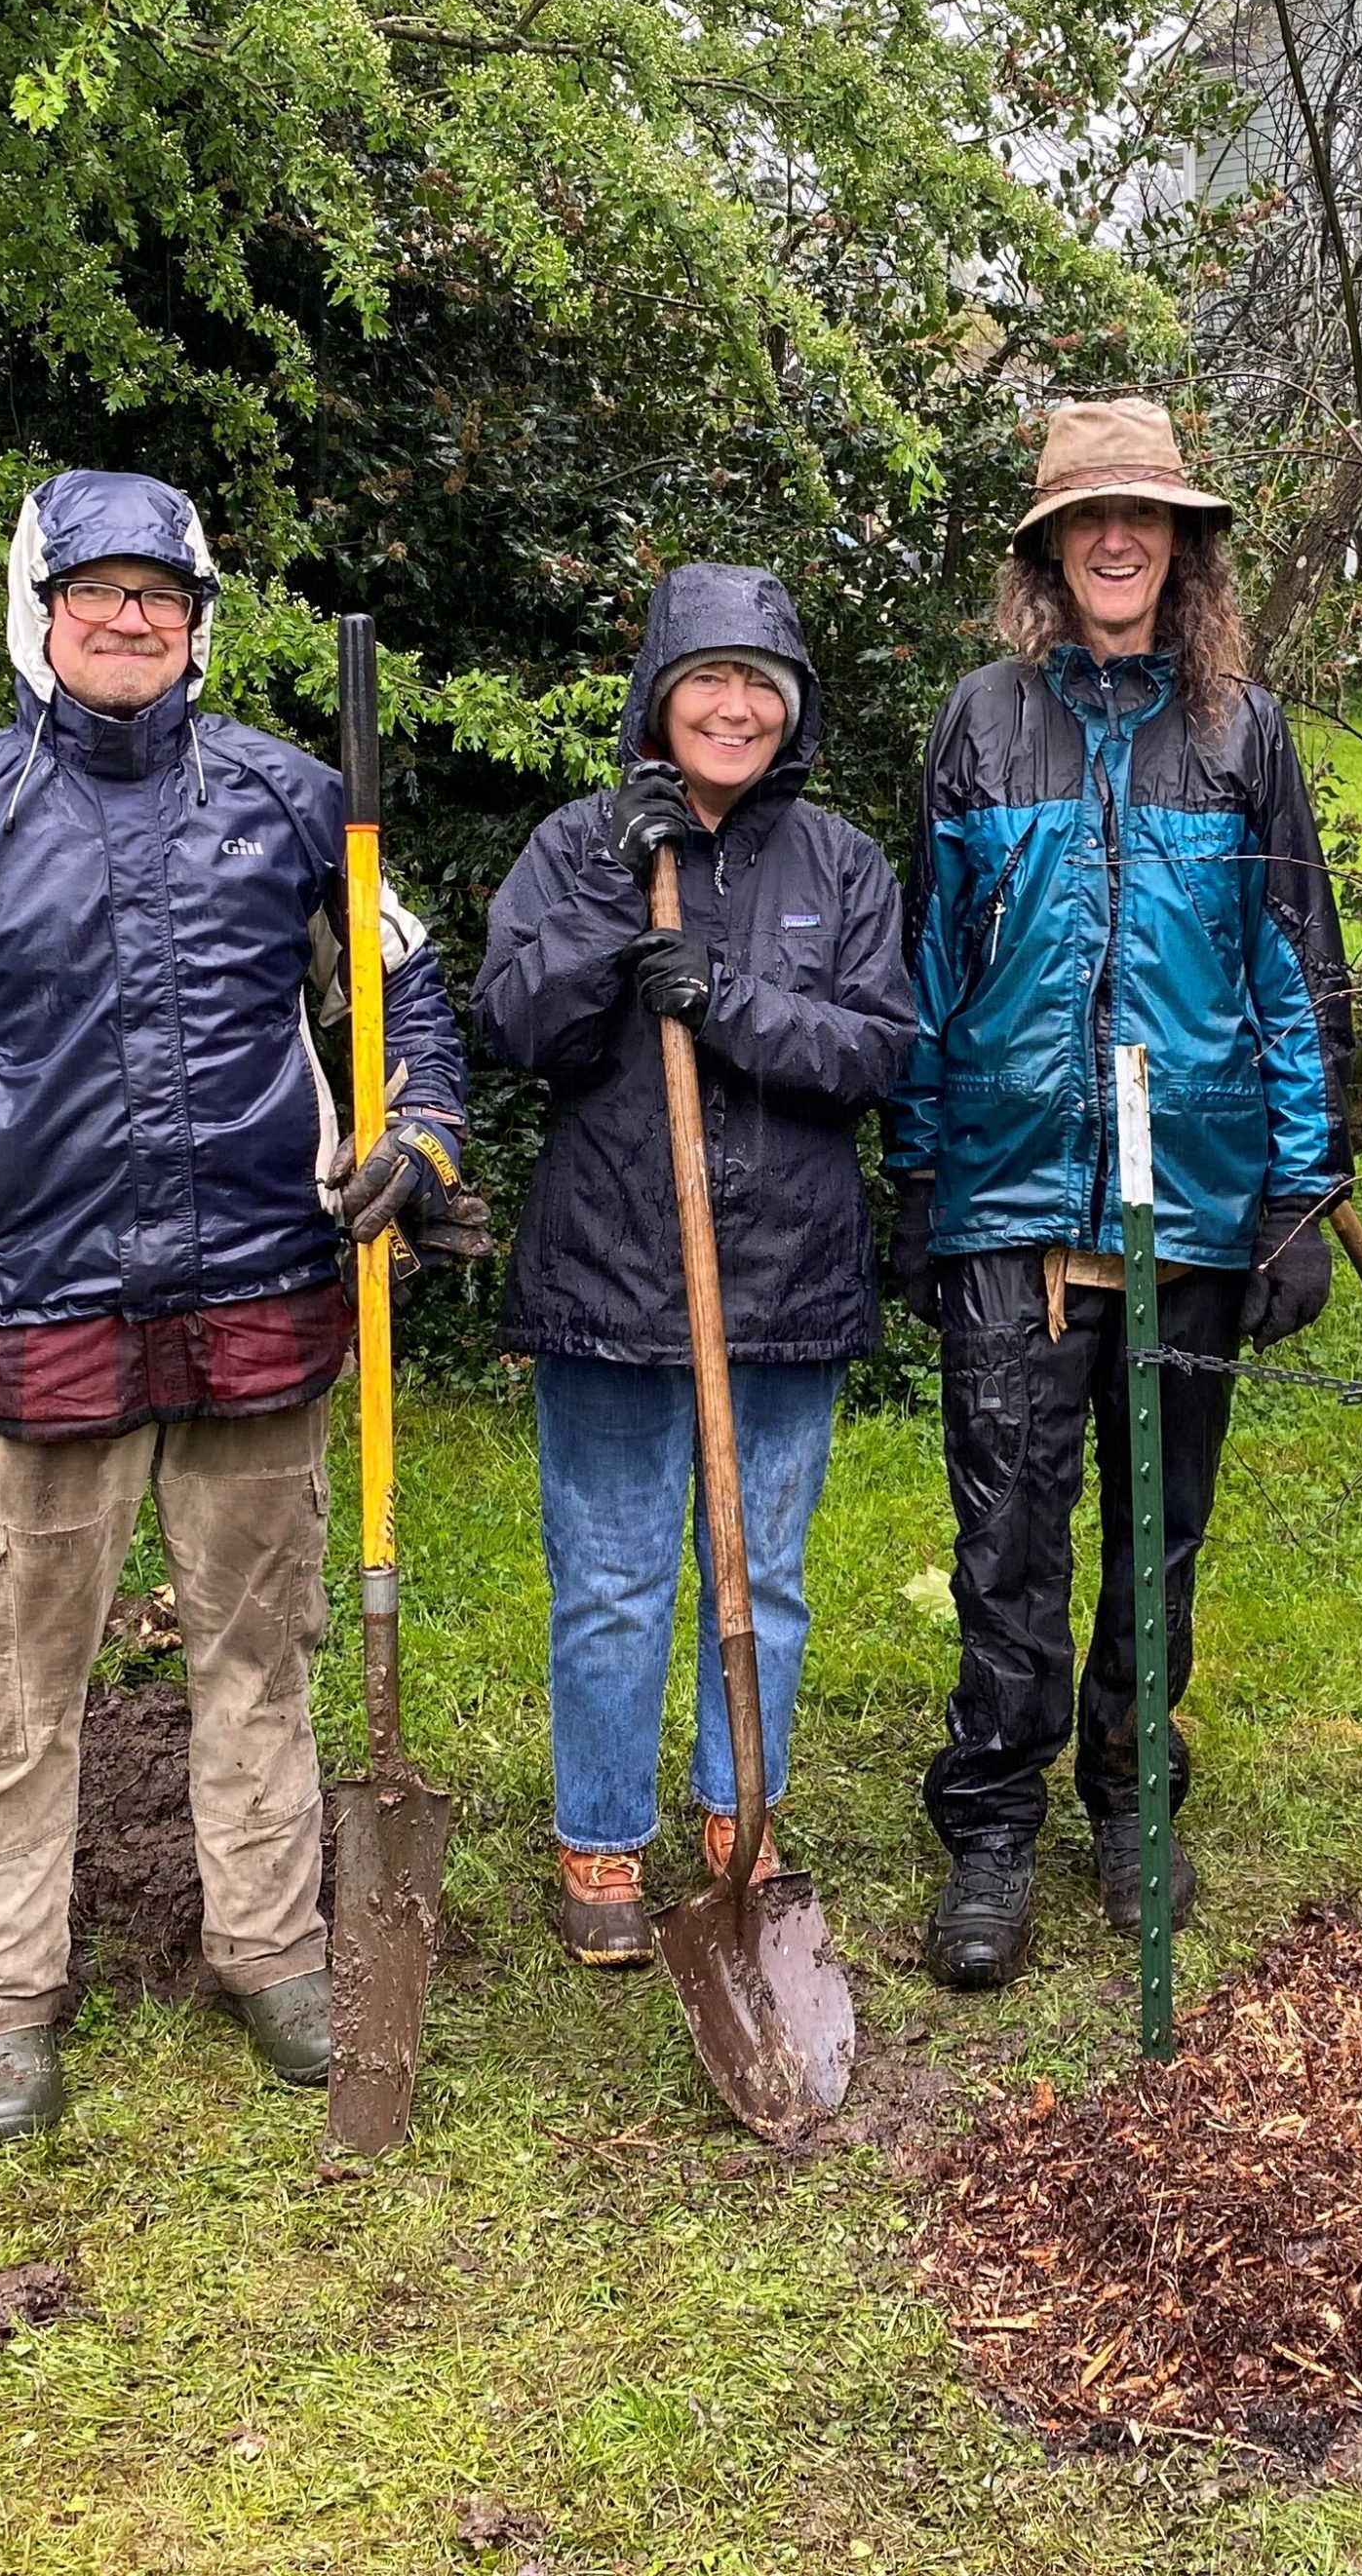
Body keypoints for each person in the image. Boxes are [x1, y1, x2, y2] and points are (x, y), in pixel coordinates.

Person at [0, 470, 477, 2152]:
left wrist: (422, 1129)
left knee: (263, 1657)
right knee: (14, 1680)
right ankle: (0, 2001)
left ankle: (273, 1949)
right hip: (41, 1307)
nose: (128, 617)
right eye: (95, 590)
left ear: (196, 618)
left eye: (158, 593)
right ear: (39, 610)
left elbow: (406, 1002)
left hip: (262, 1294)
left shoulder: (295, 803)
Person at [886, 398, 1355, 1989]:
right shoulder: (978, 724)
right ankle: (996, 1825)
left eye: (1145, 519)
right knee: (1008, 1524)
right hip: (1015, 1197)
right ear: (1046, 550)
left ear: (1184, 546)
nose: (1117, 542)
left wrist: (1299, 1191)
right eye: (1090, 520)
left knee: (1161, 1528)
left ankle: (1130, 1793)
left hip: (1195, 1200)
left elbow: (1297, 973)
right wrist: (921, 1167)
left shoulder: (1245, 737)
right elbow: (933, 964)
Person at [474, 564, 914, 1966]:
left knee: (761, 1572)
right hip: (610, 1269)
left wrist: (726, 999)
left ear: (794, 711)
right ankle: (600, 1835)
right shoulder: (577, 844)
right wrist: (617, 898)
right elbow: (516, 1027)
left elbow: (875, 1054)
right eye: (708, 680)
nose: (735, 707)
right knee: (608, 1578)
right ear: (660, 698)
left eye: (761, 687)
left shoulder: (840, 865)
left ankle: (743, 1808)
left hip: (785, 1275)